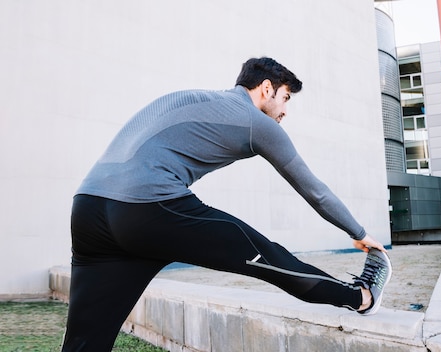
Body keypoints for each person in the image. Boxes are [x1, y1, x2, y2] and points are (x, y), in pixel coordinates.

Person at [62, 57, 392, 351]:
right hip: (149, 208)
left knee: (85, 341)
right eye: (285, 98)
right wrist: (358, 231)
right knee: (270, 257)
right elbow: (314, 191)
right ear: (266, 89)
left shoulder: (192, 96)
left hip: (88, 209)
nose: (285, 111)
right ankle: (362, 298)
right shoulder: (256, 122)